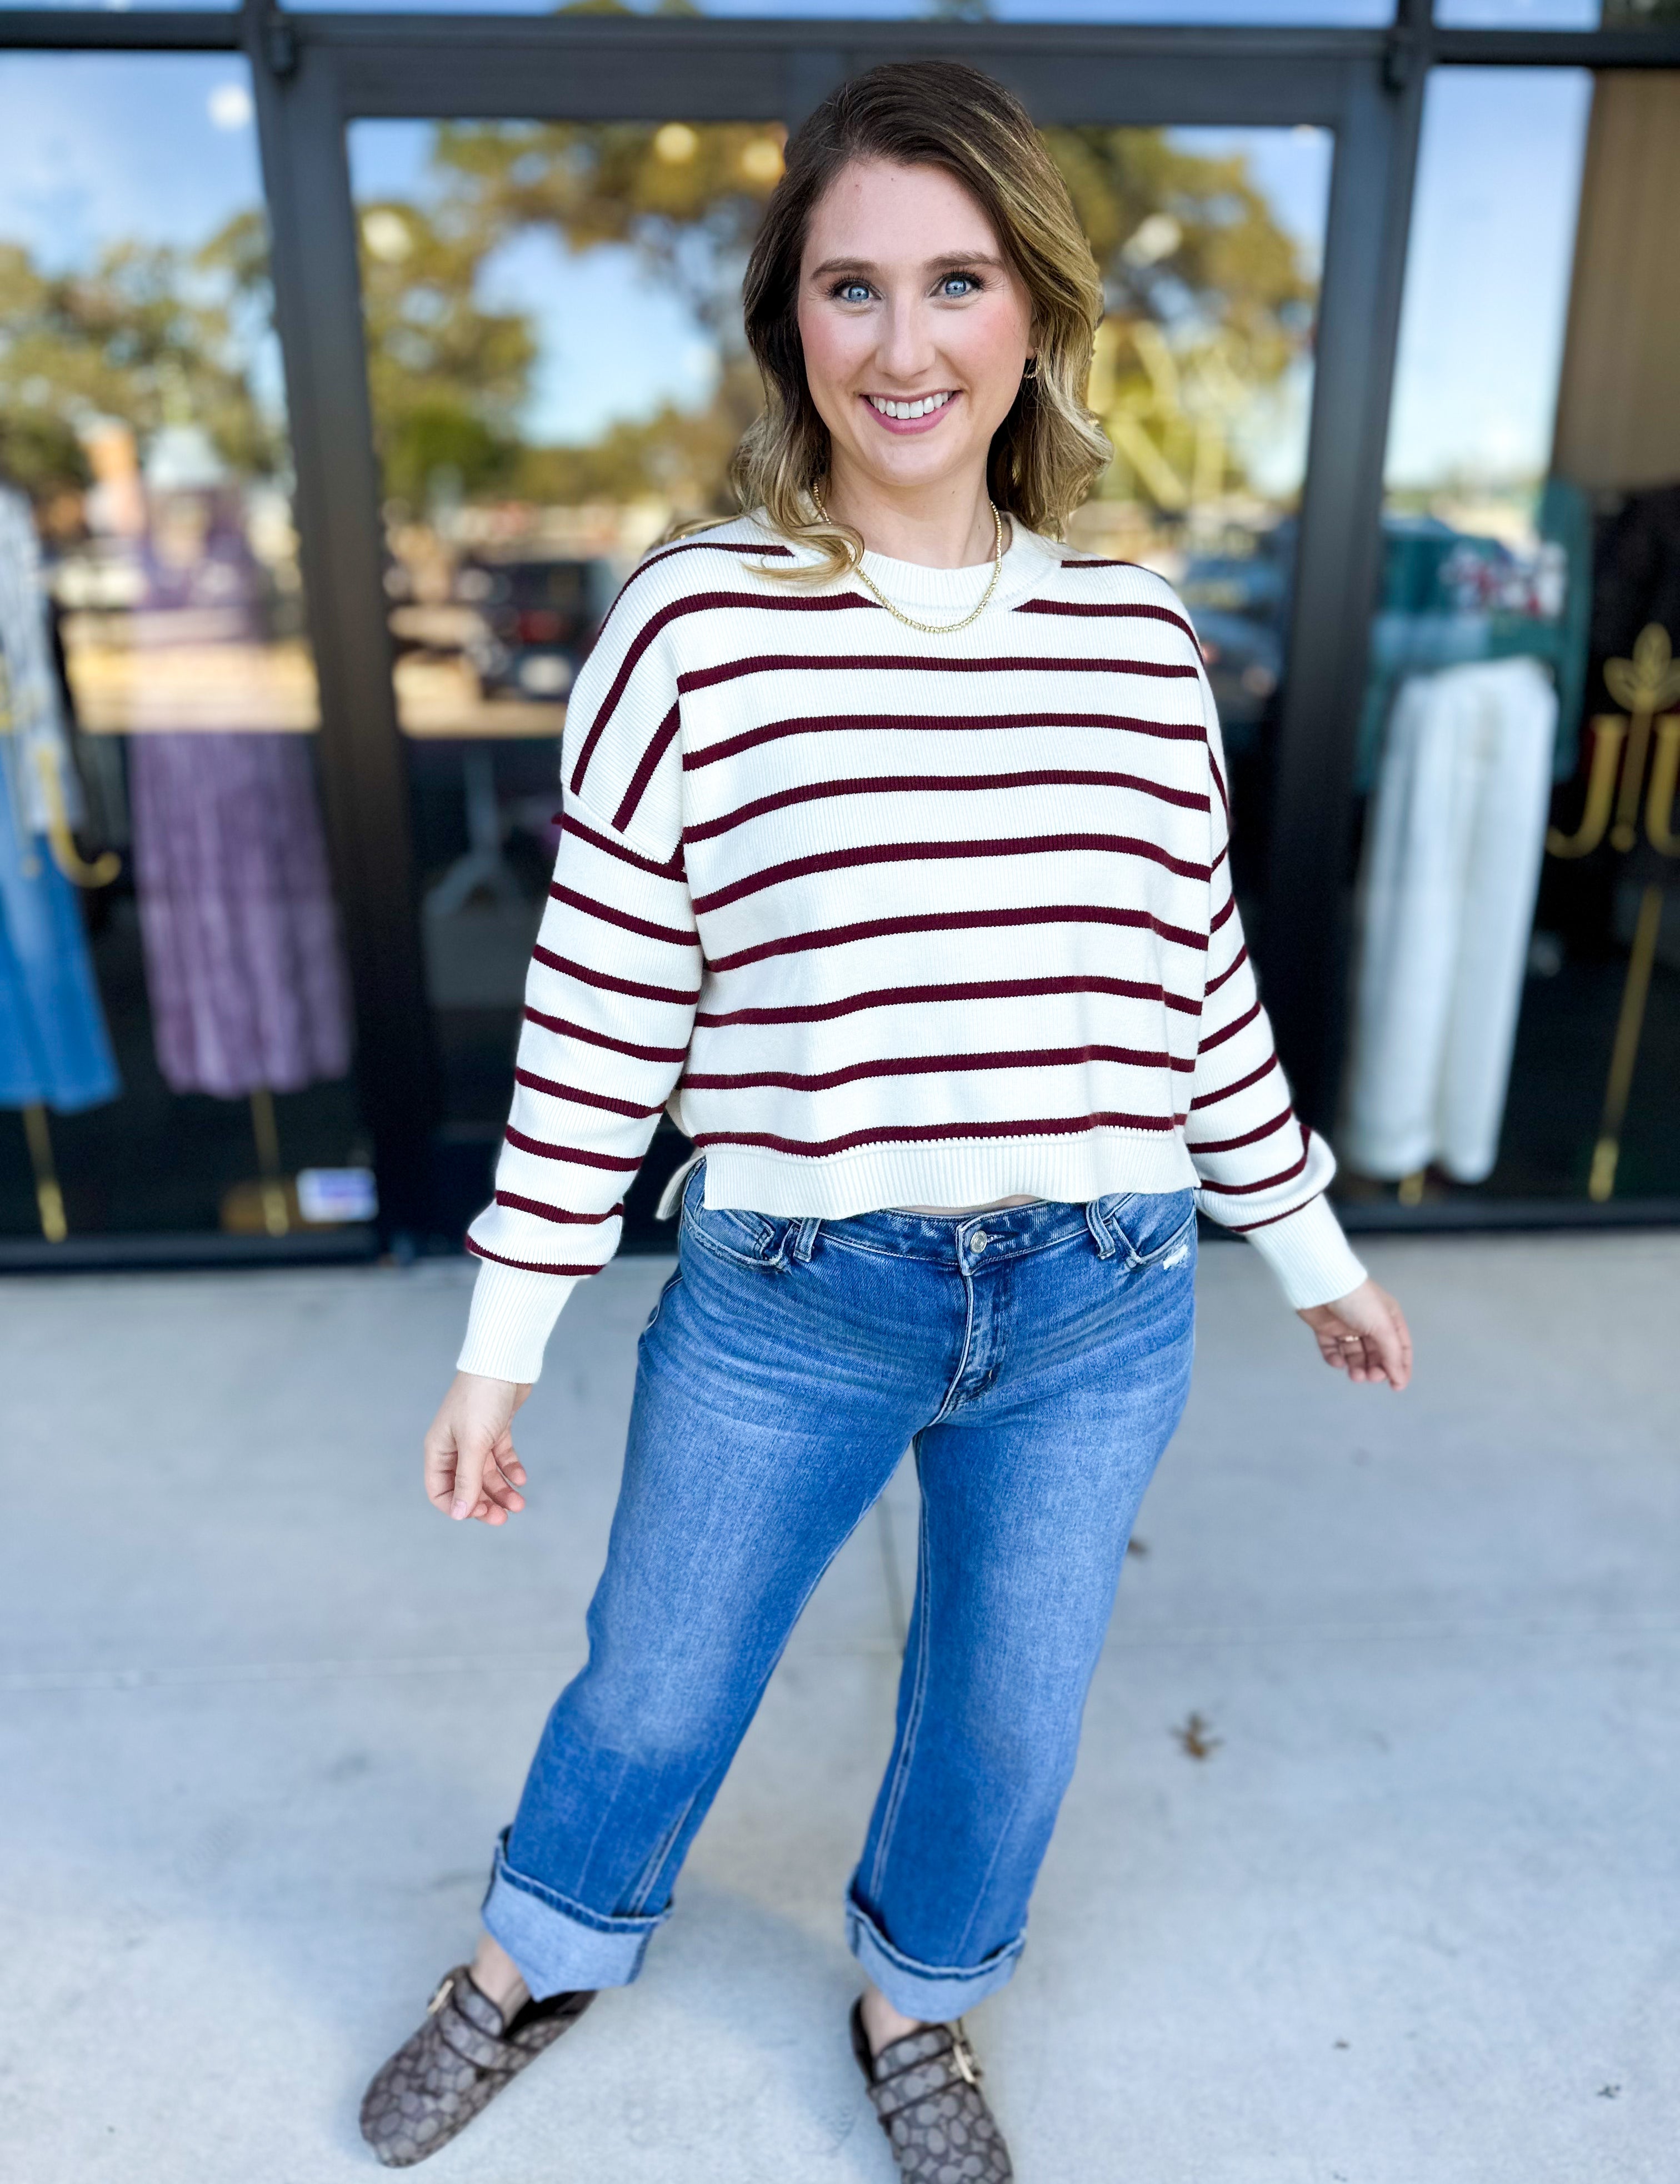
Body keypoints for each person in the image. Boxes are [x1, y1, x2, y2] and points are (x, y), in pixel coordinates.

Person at [359, 60, 1412, 2181]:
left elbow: (1192, 977)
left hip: (1101, 1289)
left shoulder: (1137, 641)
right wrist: (504, 1333)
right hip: (794, 1294)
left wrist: (1310, 1247)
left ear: (1034, 309)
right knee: (654, 1691)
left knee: (1006, 1721)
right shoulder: (697, 625)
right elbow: (602, 1003)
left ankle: (917, 2005)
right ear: (793, 325)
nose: (904, 344)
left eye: (956, 281)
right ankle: (533, 1956)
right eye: (851, 289)